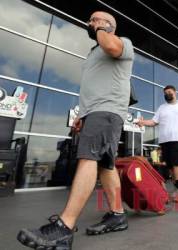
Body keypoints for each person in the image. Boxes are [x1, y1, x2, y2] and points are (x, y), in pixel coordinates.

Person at [17, 11, 134, 249]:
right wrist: (83, 113)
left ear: (109, 25)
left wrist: (103, 29)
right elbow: (97, 84)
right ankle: (117, 214)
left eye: (95, 19)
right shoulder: (94, 52)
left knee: (88, 159)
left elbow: (112, 47)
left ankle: (64, 227)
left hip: (107, 110)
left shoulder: (120, 42)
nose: (90, 23)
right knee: (105, 165)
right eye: (90, 20)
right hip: (97, 111)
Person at [137, 85, 178, 202]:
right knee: (171, 166)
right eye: (165, 93)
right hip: (165, 141)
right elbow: (153, 121)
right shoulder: (162, 108)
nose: (167, 94)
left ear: (175, 92)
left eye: (169, 92)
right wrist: (143, 122)